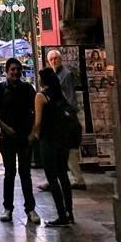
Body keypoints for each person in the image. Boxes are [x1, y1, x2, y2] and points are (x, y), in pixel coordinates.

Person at [0, 58, 41, 225]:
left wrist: (33, 131)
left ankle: (30, 208)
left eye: (18, 69)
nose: (15, 72)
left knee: (25, 173)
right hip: (7, 138)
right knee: (9, 173)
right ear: (7, 71)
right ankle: (8, 207)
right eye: (12, 70)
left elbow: (35, 110)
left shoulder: (27, 88)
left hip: (24, 137)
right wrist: (5, 127)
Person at [31, 67, 76, 226]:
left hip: (48, 141)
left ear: (42, 81)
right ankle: (69, 212)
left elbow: (38, 122)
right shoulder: (60, 94)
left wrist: (32, 136)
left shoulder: (41, 96)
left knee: (52, 178)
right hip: (63, 141)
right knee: (63, 175)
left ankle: (61, 215)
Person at [38, 49, 87, 191]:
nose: (54, 61)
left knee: (68, 152)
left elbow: (70, 97)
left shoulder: (66, 75)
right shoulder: (54, 75)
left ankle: (76, 179)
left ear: (60, 59)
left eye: (56, 58)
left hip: (64, 119)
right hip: (58, 119)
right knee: (62, 152)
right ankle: (57, 179)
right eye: (51, 59)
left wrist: (69, 113)